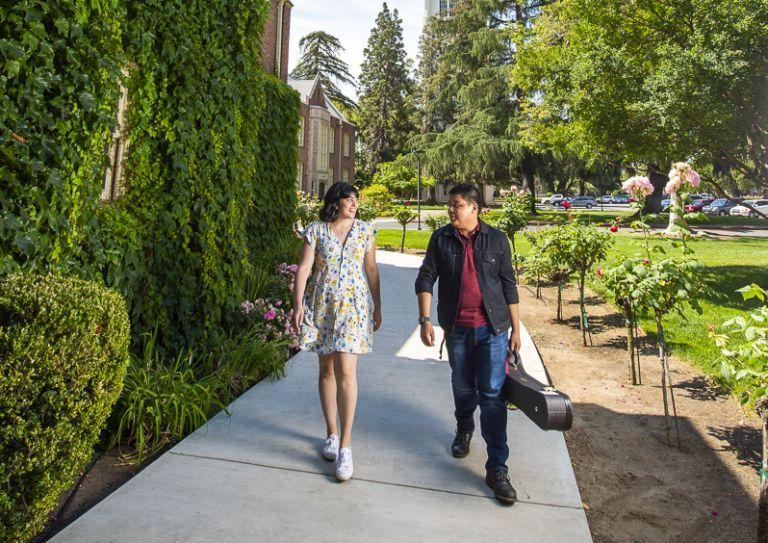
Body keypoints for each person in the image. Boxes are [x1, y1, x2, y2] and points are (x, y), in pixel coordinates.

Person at [415, 183, 521, 505]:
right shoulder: (441, 238)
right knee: (462, 387)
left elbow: (508, 285)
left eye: (457, 205)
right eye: (450, 205)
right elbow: (425, 276)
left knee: (491, 395)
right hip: (458, 328)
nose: (451, 210)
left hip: (493, 329)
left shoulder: (497, 239)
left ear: (475, 208)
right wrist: (425, 319)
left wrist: (516, 330)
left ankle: (497, 468)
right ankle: (464, 428)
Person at [292, 182, 382, 482]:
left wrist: (378, 307)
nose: (354, 203)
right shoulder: (316, 230)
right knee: (327, 370)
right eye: (348, 199)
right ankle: (331, 433)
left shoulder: (366, 231)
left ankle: (346, 446)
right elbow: (304, 268)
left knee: (347, 370)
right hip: (323, 307)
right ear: (335, 201)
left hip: (355, 309)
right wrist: (298, 305)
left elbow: (371, 270)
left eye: (356, 199)